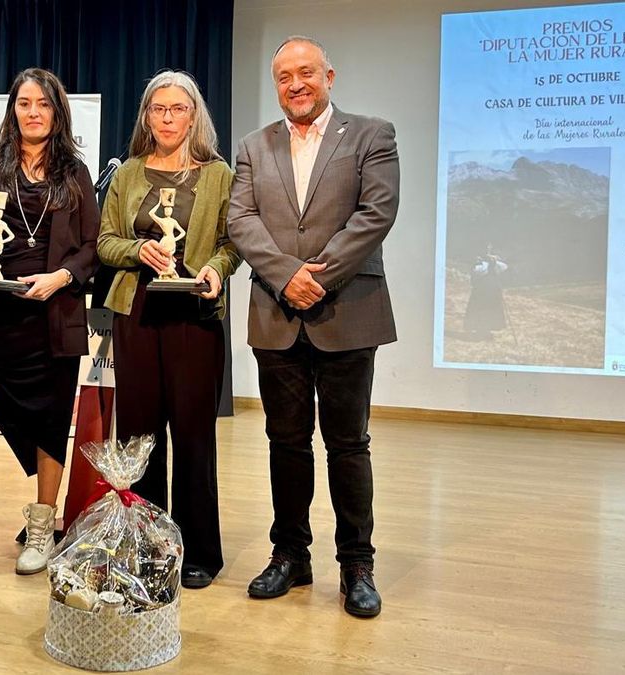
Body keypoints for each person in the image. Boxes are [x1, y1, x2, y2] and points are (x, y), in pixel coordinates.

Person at [227, 36, 399, 617]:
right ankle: (290, 557)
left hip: (347, 311)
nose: (295, 85)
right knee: (286, 444)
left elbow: (376, 213)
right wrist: (285, 275)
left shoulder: (372, 135)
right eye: (283, 77)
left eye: (305, 73)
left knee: (349, 444)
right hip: (277, 315)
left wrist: (318, 277)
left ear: (329, 74)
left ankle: (357, 566)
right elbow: (242, 220)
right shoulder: (254, 145)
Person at [0, 68, 99, 575]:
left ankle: (41, 526)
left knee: (50, 425)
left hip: (51, 316)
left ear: (57, 111)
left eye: (44, 104)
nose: (33, 113)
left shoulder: (75, 171)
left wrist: (61, 277)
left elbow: (92, 247)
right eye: (24, 103)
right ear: (12, 109)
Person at [97, 70, 240, 589]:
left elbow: (233, 243)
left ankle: (200, 551)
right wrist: (139, 251)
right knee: (139, 435)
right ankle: (147, 547)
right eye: (158, 108)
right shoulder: (128, 173)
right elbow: (105, 243)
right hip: (135, 315)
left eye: (178, 108)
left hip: (196, 316)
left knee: (195, 436)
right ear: (146, 115)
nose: (167, 118)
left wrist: (216, 271)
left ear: (194, 114)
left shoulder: (220, 174)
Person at [464, 244, 509, 339]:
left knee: (492, 309)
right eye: (485, 247)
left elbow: (503, 268)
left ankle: (488, 330)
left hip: (493, 289)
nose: (487, 249)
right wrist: (488, 264)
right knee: (480, 309)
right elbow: (476, 272)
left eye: (489, 247)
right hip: (481, 289)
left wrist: (494, 262)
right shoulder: (477, 260)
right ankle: (480, 331)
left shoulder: (494, 259)